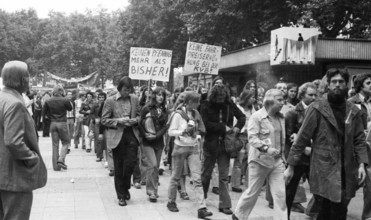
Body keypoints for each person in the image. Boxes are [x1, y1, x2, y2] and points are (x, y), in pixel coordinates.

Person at [284, 68, 369, 220]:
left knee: (340, 210)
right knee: (324, 210)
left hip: (346, 168)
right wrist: (290, 166)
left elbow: (359, 139)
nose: (337, 85)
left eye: (341, 82)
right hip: (323, 168)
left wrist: (362, 164)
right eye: (334, 82)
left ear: (346, 84)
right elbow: (301, 139)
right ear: (328, 85)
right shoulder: (317, 108)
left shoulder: (353, 110)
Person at [0, 60, 47, 219]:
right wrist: (31, 158)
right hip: (14, 176)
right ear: (21, 79)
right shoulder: (15, 103)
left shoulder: (3, 98)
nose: (29, 80)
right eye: (27, 76)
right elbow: (13, 141)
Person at [233, 89, 287, 220]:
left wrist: (283, 157)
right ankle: (239, 216)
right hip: (259, 161)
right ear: (270, 100)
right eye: (279, 100)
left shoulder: (281, 117)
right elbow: (252, 138)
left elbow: (281, 139)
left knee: (280, 194)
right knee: (253, 192)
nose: (283, 103)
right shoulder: (256, 117)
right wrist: (266, 149)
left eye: (283, 100)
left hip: (277, 162)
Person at [200, 84, 246, 216]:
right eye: (218, 97)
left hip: (226, 145)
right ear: (213, 96)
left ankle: (224, 204)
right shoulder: (205, 104)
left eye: (223, 96)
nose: (221, 99)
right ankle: (202, 200)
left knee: (224, 176)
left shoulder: (229, 103)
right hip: (210, 143)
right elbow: (205, 124)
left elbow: (242, 117)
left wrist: (237, 127)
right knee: (206, 174)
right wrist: (223, 127)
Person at [167, 91, 213, 218]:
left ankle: (201, 207)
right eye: (196, 102)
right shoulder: (178, 115)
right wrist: (183, 131)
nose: (198, 104)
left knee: (197, 178)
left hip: (193, 148)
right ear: (188, 102)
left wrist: (197, 135)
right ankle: (171, 201)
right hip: (180, 148)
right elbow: (170, 132)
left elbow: (201, 129)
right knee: (176, 176)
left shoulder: (196, 113)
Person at [101, 76, 141, 206]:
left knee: (130, 165)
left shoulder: (134, 99)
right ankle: (121, 196)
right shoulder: (110, 101)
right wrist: (118, 121)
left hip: (132, 135)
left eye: (129, 90)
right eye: (125, 89)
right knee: (119, 167)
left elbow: (140, 116)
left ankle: (125, 187)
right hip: (117, 136)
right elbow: (104, 120)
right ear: (120, 88)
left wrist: (134, 120)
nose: (127, 92)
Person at [284, 82, 317, 218]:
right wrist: (305, 148)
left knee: (318, 190)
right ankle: (285, 216)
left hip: (313, 157)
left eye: (315, 95)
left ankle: (313, 213)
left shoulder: (318, 111)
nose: (314, 97)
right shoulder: (292, 113)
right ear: (302, 95)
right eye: (310, 95)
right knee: (290, 192)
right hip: (297, 159)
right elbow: (289, 137)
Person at [348, 73, 371, 220]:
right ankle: (316, 209)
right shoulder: (351, 102)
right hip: (358, 147)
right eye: (369, 83)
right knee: (353, 181)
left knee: (370, 182)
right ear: (360, 86)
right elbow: (347, 125)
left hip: (370, 146)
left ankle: (368, 215)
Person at [139, 87, 168, 202]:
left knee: (156, 168)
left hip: (159, 142)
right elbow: (139, 123)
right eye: (159, 94)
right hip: (147, 142)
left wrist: (157, 136)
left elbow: (165, 126)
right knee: (153, 165)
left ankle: (154, 191)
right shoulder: (146, 108)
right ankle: (151, 191)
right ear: (154, 95)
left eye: (163, 95)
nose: (161, 97)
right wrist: (145, 135)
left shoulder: (165, 109)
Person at [43, 84, 73, 171]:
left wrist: (49, 118)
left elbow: (44, 113)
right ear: (61, 91)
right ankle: (61, 159)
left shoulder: (48, 100)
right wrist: (65, 98)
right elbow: (70, 108)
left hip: (53, 123)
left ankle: (56, 167)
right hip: (62, 122)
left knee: (55, 145)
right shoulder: (65, 100)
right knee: (66, 142)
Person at [91, 92, 107, 162]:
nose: (101, 99)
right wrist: (95, 119)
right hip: (97, 124)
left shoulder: (107, 104)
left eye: (102, 97)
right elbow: (91, 114)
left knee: (105, 140)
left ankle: (105, 156)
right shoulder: (95, 105)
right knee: (98, 140)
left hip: (105, 124)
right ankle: (99, 156)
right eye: (100, 97)